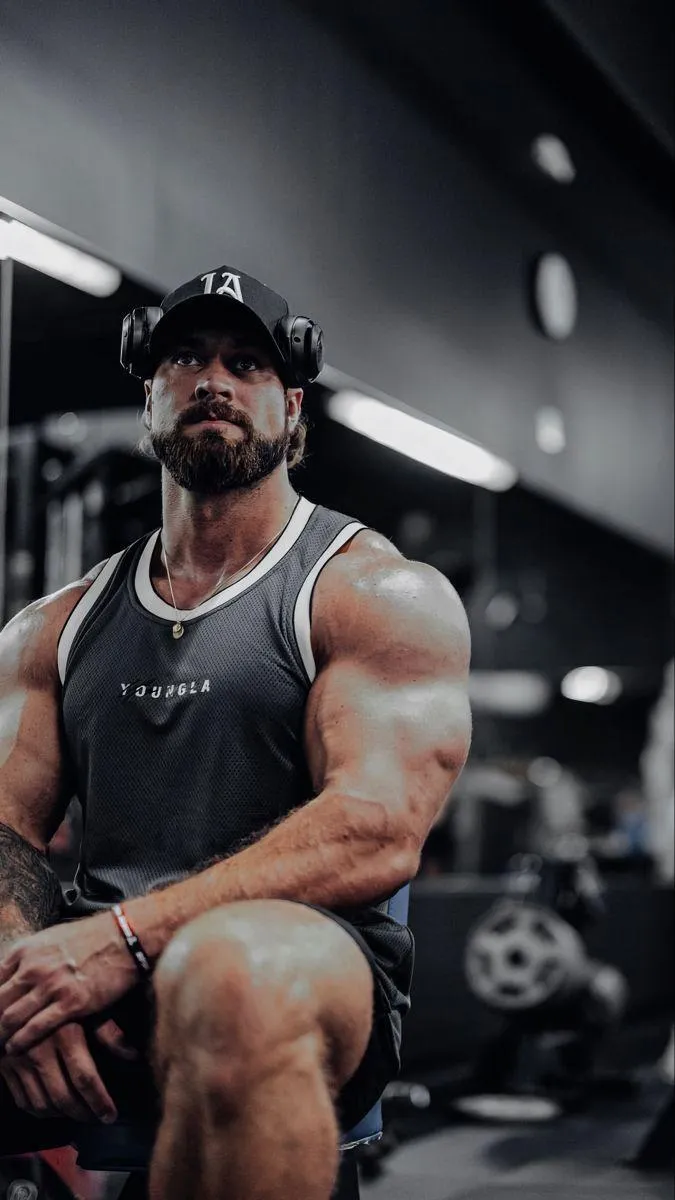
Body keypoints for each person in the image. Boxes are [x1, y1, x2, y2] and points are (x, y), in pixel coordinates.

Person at [0, 265, 471, 1200]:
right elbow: (4, 827)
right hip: (90, 964)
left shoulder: (371, 593)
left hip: (304, 960)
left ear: (291, 409)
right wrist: (20, 976)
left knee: (230, 976)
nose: (212, 378)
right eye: (186, 357)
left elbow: (374, 827)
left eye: (246, 363)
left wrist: (122, 940)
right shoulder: (53, 627)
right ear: (150, 396)